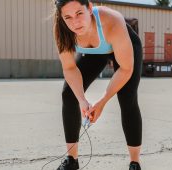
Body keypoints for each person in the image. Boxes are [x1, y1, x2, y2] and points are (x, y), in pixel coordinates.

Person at [53, 0, 143, 169]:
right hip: (95, 52)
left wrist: (102, 102)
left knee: (127, 99)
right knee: (69, 94)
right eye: (68, 17)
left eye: (79, 13)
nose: (75, 22)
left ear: (90, 8)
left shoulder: (112, 20)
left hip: (123, 48)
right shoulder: (62, 28)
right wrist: (82, 100)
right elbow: (69, 68)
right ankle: (72, 161)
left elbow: (125, 68)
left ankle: (134, 162)